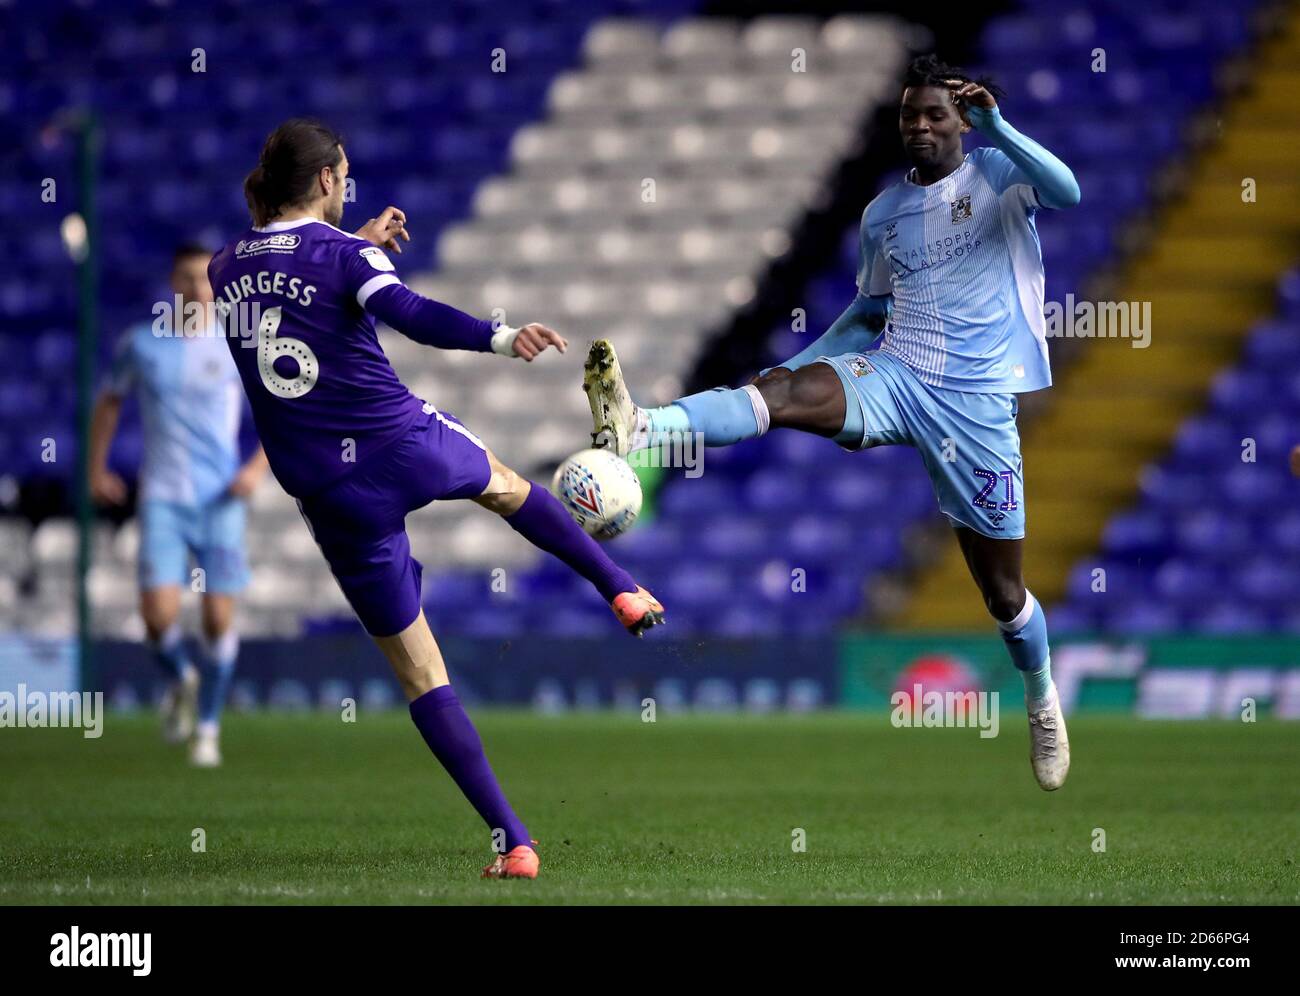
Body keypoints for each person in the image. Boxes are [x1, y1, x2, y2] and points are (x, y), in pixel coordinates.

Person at [584, 55, 1081, 791]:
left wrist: (999, 127)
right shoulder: (883, 214)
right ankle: (643, 425)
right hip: (897, 374)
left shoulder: (1001, 176)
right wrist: (791, 371)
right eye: (909, 112)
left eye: (934, 114)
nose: (918, 124)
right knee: (777, 397)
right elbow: (868, 314)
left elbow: (1067, 192)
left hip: (976, 405)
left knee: (1004, 594)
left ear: (963, 121)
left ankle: (1040, 697)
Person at [209, 118, 665, 880]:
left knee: (422, 674)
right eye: (343, 173)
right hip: (400, 444)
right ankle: (621, 588)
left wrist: (354, 243)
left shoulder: (226, 268)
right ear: (327, 179)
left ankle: (515, 841)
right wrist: (501, 336)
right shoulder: (346, 256)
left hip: (329, 492)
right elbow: (408, 314)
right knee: (509, 488)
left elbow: (293, 276)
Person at [89, 243, 268, 767]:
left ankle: (208, 729)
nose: (195, 289)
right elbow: (109, 401)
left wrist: (254, 471)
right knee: (157, 616)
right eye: (185, 278)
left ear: (215, 285)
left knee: (216, 618)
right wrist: (95, 468)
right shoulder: (141, 344)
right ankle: (182, 678)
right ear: (172, 283)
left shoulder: (238, 345)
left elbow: (280, 413)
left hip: (221, 500)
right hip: (163, 496)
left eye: (203, 279)